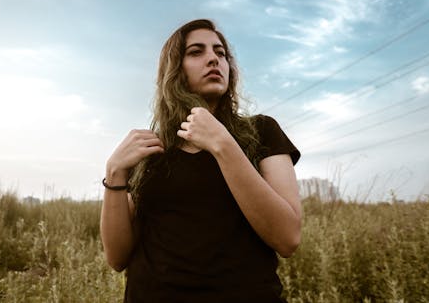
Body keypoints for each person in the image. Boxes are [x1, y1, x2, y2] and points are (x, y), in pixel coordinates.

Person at [100, 19, 301, 303]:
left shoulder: (262, 131)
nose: (213, 59)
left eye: (220, 53)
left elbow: (288, 237)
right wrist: (115, 172)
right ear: (174, 70)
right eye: (196, 52)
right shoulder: (152, 150)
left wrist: (223, 144)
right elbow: (117, 258)